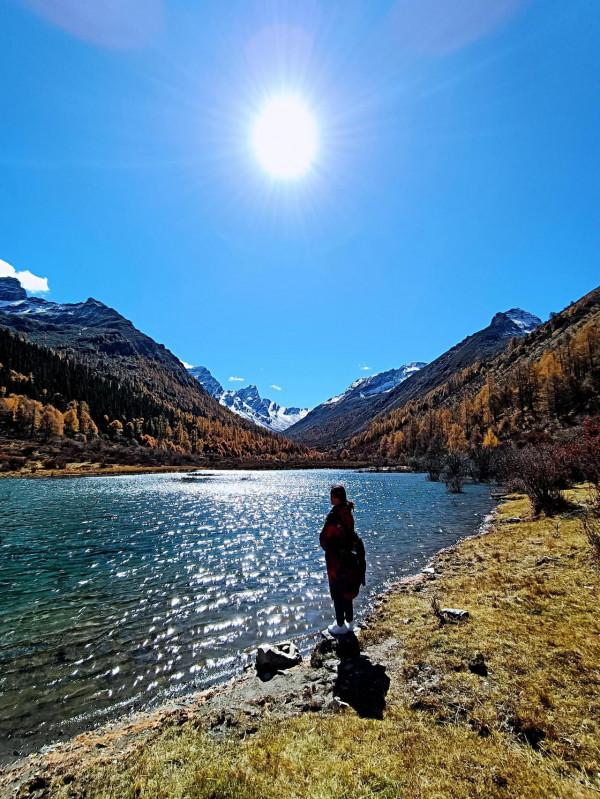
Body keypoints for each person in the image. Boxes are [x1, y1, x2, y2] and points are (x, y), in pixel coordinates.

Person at [319, 484, 366, 635]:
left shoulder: (334, 516)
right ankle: (350, 622)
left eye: (331, 495)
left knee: (337, 590)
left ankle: (339, 624)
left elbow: (324, 539)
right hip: (349, 557)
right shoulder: (347, 511)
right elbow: (350, 533)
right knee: (347, 588)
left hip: (336, 560)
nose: (330, 498)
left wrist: (330, 548)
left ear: (336, 497)